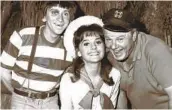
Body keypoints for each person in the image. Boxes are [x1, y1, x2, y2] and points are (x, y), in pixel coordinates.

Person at [0, 1, 78, 109]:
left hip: (50, 102)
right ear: (44, 17)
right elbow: (3, 72)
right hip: (22, 102)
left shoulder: (70, 46)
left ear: (70, 20)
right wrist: (18, 94)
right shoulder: (23, 35)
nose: (60, 19)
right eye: (54, 12)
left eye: (65, 14)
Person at [102, 8, 172, 109]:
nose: (113, 46)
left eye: (120, 39)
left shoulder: (156, 51)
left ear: (134, 35)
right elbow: (120, 94)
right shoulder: (110, 57)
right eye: (108, 39)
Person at [59, 16, 121, 109]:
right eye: (86, 44)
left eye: (98, 42)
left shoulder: (114, 75)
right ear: (78, 52)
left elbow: (112, 106)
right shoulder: (68, 79)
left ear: (105, 47)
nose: (94, 47)